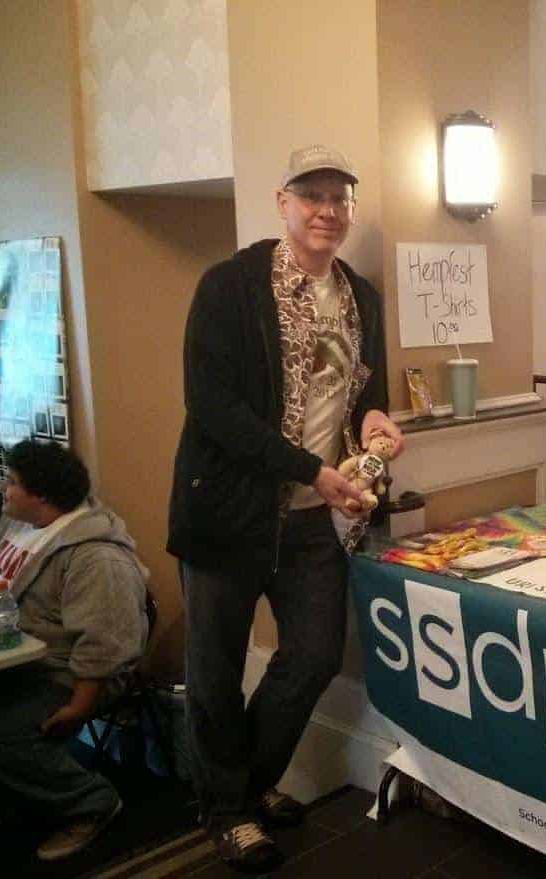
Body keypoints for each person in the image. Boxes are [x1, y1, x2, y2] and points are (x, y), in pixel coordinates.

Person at [167, 145, 404, 872]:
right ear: (283, 204)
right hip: (228, 512)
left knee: (314, 655)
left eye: (339, 197)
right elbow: (213, 407)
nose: (327, 210)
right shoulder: (230, 287)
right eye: (312, 196)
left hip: (310, 521)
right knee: (214, 670)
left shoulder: (361, 296)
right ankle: (228, 811)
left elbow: (364, 391)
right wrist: (310, 470)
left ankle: (244, 784)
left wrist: (374, 420)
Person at [0, 440, 148, 862]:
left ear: (41, 495)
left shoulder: (96, 557)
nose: (3, 488)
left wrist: (79, 706)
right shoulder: (20, 526)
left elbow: (106, 641)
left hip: (70, 675)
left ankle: (91, 803)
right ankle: (8, 796)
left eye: (12, 482)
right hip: (19, 661)